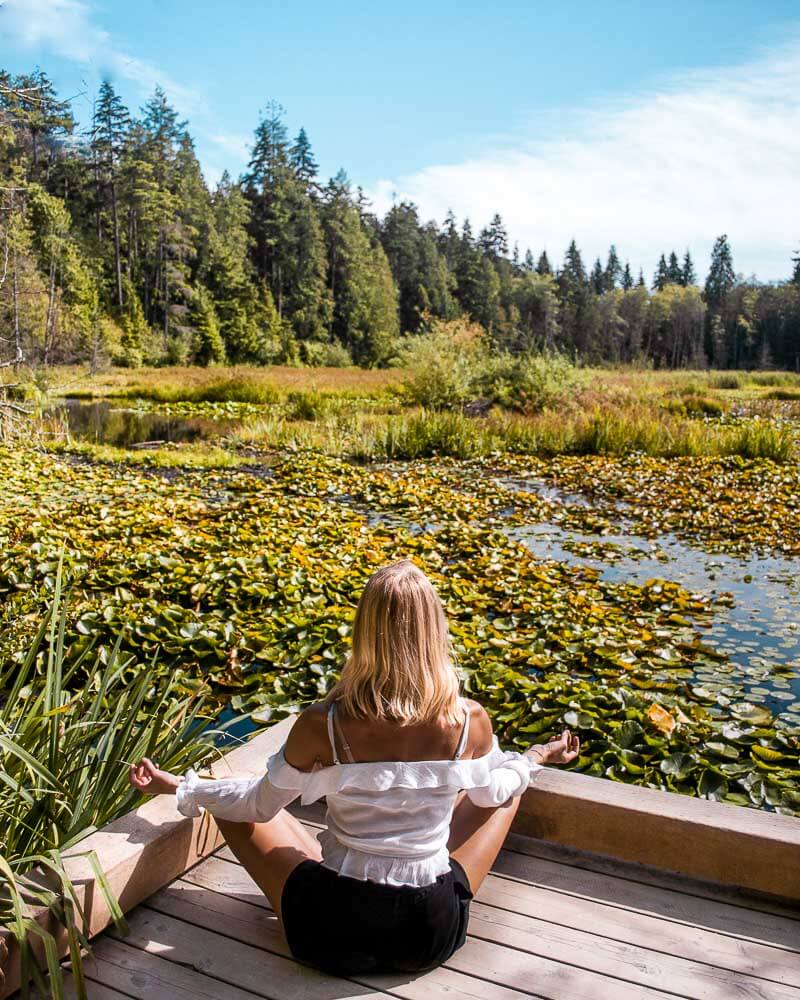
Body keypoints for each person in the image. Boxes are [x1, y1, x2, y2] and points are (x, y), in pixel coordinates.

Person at [129, 559, 579, 976]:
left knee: (236, 800)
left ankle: (335, 865)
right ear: (434, 631)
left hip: (330, 935)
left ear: (364, 632)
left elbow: (256, 806)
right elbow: (491, 795)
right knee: (507, 786)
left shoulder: (322, 723)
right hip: (428, 935)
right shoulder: (468, 720)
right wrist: (537, 756)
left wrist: (181, 788)